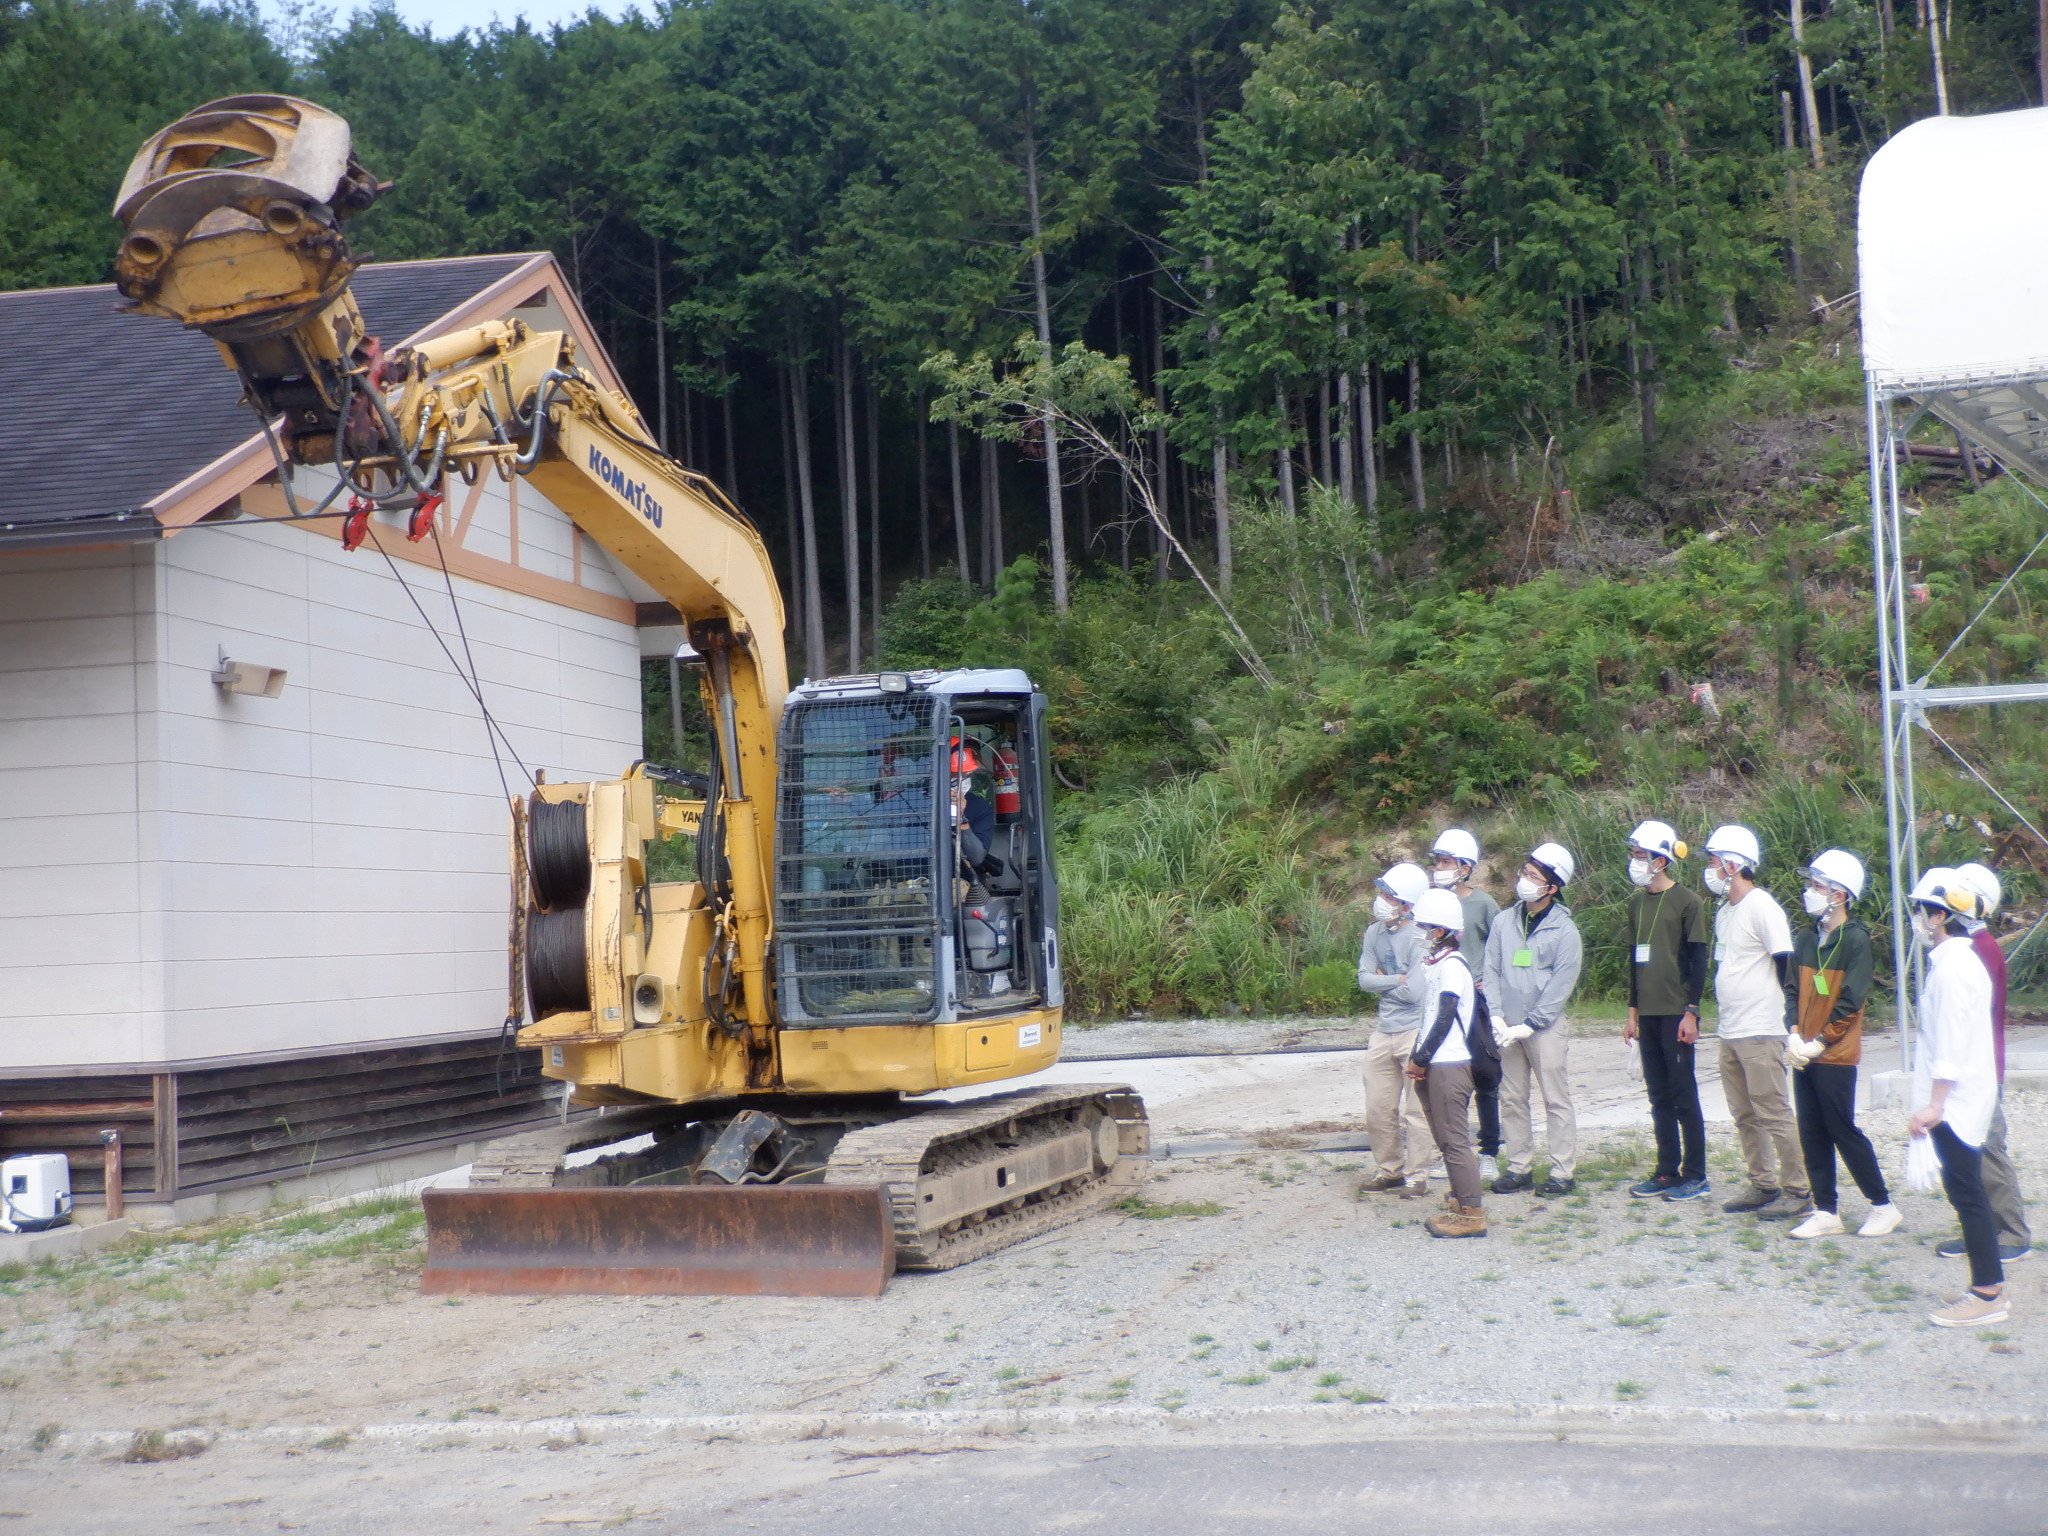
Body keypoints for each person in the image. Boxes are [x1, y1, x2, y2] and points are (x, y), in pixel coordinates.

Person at [1905, 869, 2007, 1327]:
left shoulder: (1952, 969)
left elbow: (1949, 1045)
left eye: (1922, 910)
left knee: (1968, 1194)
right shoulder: (1958, 961)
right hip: (1961, 1097)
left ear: (1941, 915)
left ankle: (1988, 1294)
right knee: (1966, 1193)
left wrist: (1934, 1106)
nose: (1918, 919)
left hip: (1957, 1102)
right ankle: (1983, 1286)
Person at [1783, 849, 1899, 1239]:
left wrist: (1820, 1042)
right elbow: (1790, 990)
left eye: (1817, 885)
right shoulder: (1804, 936)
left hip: (1836, 1055)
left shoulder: (1855, 940)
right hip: (1805, 1051)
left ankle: (1882, 1204)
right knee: (1811, 1129)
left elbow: (1851, 1001)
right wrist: (1794, 1033)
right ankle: (1825, 1209)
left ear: (1839, 894)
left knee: (1841, 1129)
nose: (1809, 891)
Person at [1701, 825, 1812, 1221]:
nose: (1710, 869)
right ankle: (1762, 1182)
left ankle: (1798, 1189)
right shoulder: (1725, 911)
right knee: (1744, 1113)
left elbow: (1786, 963)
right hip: (1731, 1029)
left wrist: (1791, 1021)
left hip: (1760, 1028)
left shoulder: (1762, 906)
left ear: (1733, 865)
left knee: (1773, 1111)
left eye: (1714, 861)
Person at [1620, 819, 1712, 1201]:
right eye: (1634, 854)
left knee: (1683, 1093)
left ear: (1660, 860)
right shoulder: (1636, 903)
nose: (1634, 861)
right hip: (1648, 1013)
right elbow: (1632, 961)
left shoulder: (1688, 902)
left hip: (1676, 1012)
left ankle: (1696, 1174)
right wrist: (1632, 1012)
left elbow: (1698, 960)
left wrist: (1692, 1011)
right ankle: (1665, 1170)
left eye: (1640, 855)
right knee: (1657, 1094)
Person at [1484, 842, 1583, 1197]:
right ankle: (1518, 1166)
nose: (1524, 880)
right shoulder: (1503, 921)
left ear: (1552, 887)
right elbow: (1491, 968)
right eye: (1525, 872)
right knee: (1511, 1097)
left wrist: (1533, 1022)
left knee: (1555, 1099)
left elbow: (1561, 984)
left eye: (1533, 876)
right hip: (1506, 1027)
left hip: (1545, 1028)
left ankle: (1561, 1172)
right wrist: (1495, 1014)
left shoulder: (1564, 931)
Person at [1947, 862, 2033, 1264]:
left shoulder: (1981, 949)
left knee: (1989, 1148)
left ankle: (2012, 1231)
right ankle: (1979, 1229)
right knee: (1968, 1151)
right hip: (1969, 1065)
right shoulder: (1969, 947)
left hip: (1981, 1067)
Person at [1405, 888, 1487, 1238]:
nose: (1420, 933)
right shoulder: (1439, 966)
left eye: (1424, 927)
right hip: (1436, 1062)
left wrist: (1421, 1058)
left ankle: (1472, 1214)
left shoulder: (1453, 967)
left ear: (1439, 931)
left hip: (1448, 1064)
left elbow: (1446, 1016)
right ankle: (1460, 1199)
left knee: (1454, 1140)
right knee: (1445, 1137)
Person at [1356, 862, 1435, 1198]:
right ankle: (1389, 1170)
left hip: (1415, 1030)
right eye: (1381, 893)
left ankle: (1418, 1176)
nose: (1381, 901)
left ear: (1407, 904)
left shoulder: (1422, 936)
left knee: (1417, 1110)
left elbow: (1416, 991)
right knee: (1378, 1106)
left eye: (1389, 896)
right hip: (1384, 1029)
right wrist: (1396, 979)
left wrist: (1384, 981)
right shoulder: (1374, 932)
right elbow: (1363, 979)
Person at [1432, 829, 1502, 1180]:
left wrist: (1487, 982)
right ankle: (1453, 1151)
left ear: (1465, 867)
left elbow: (1500, 945)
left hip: (1477, 1002)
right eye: (1438, 861)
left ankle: (1489, 1151)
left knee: (1485, 1078)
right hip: (1443, 1001)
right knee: (1446, 1078)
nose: (1440, 868)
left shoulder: (1483, 904)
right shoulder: (1430, 901)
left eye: (1446, 861)